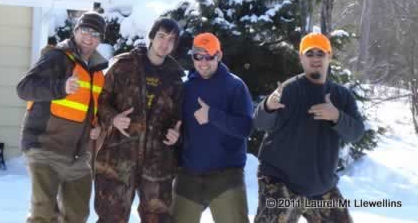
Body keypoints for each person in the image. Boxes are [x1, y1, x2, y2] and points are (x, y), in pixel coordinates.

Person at [253, 32, 365, 223]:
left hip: (320, 186)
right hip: (280, 181)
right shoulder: (287, 90)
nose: (315, 59)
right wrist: (268, 107)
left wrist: (336, 116)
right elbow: (259, 123)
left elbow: (356, 133)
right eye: (309, 53)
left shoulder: (342, 96)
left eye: (320, 53)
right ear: (301, 58)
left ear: (329, 57)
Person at [17, 11, 108, 223]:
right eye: (85, 30)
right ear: (75, 31)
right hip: (44, 148)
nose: (89, 37)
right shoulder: (56, 57)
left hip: (77, 154)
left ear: (101, 39)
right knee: (44, 214)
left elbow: (89, 110)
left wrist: (96, 126)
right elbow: (24, 88)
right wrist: (61, 87)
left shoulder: (97, 72)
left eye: (95, 33)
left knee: (77, 215)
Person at [93, 17, 184, 223]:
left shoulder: (176, 79)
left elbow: (179, 119)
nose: (165, 43)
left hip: (157, 163)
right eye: (161, 36)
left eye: (171, 39)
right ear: (151, 37)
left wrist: (176, 134)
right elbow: (100, 100)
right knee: (111, 218)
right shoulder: (124, 65)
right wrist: (113, 118)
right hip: (118, 158)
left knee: (157, 219)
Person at [171, 32, 253, 223]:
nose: (203, 62)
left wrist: (212, 115)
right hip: (189, 175)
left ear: (219, 56)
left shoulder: (235, 86)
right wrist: (175, 135)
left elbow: (245, 128)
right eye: (198, 56)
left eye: (209, 56)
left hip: (226, 176)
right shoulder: (186, 88)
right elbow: (177, 126)